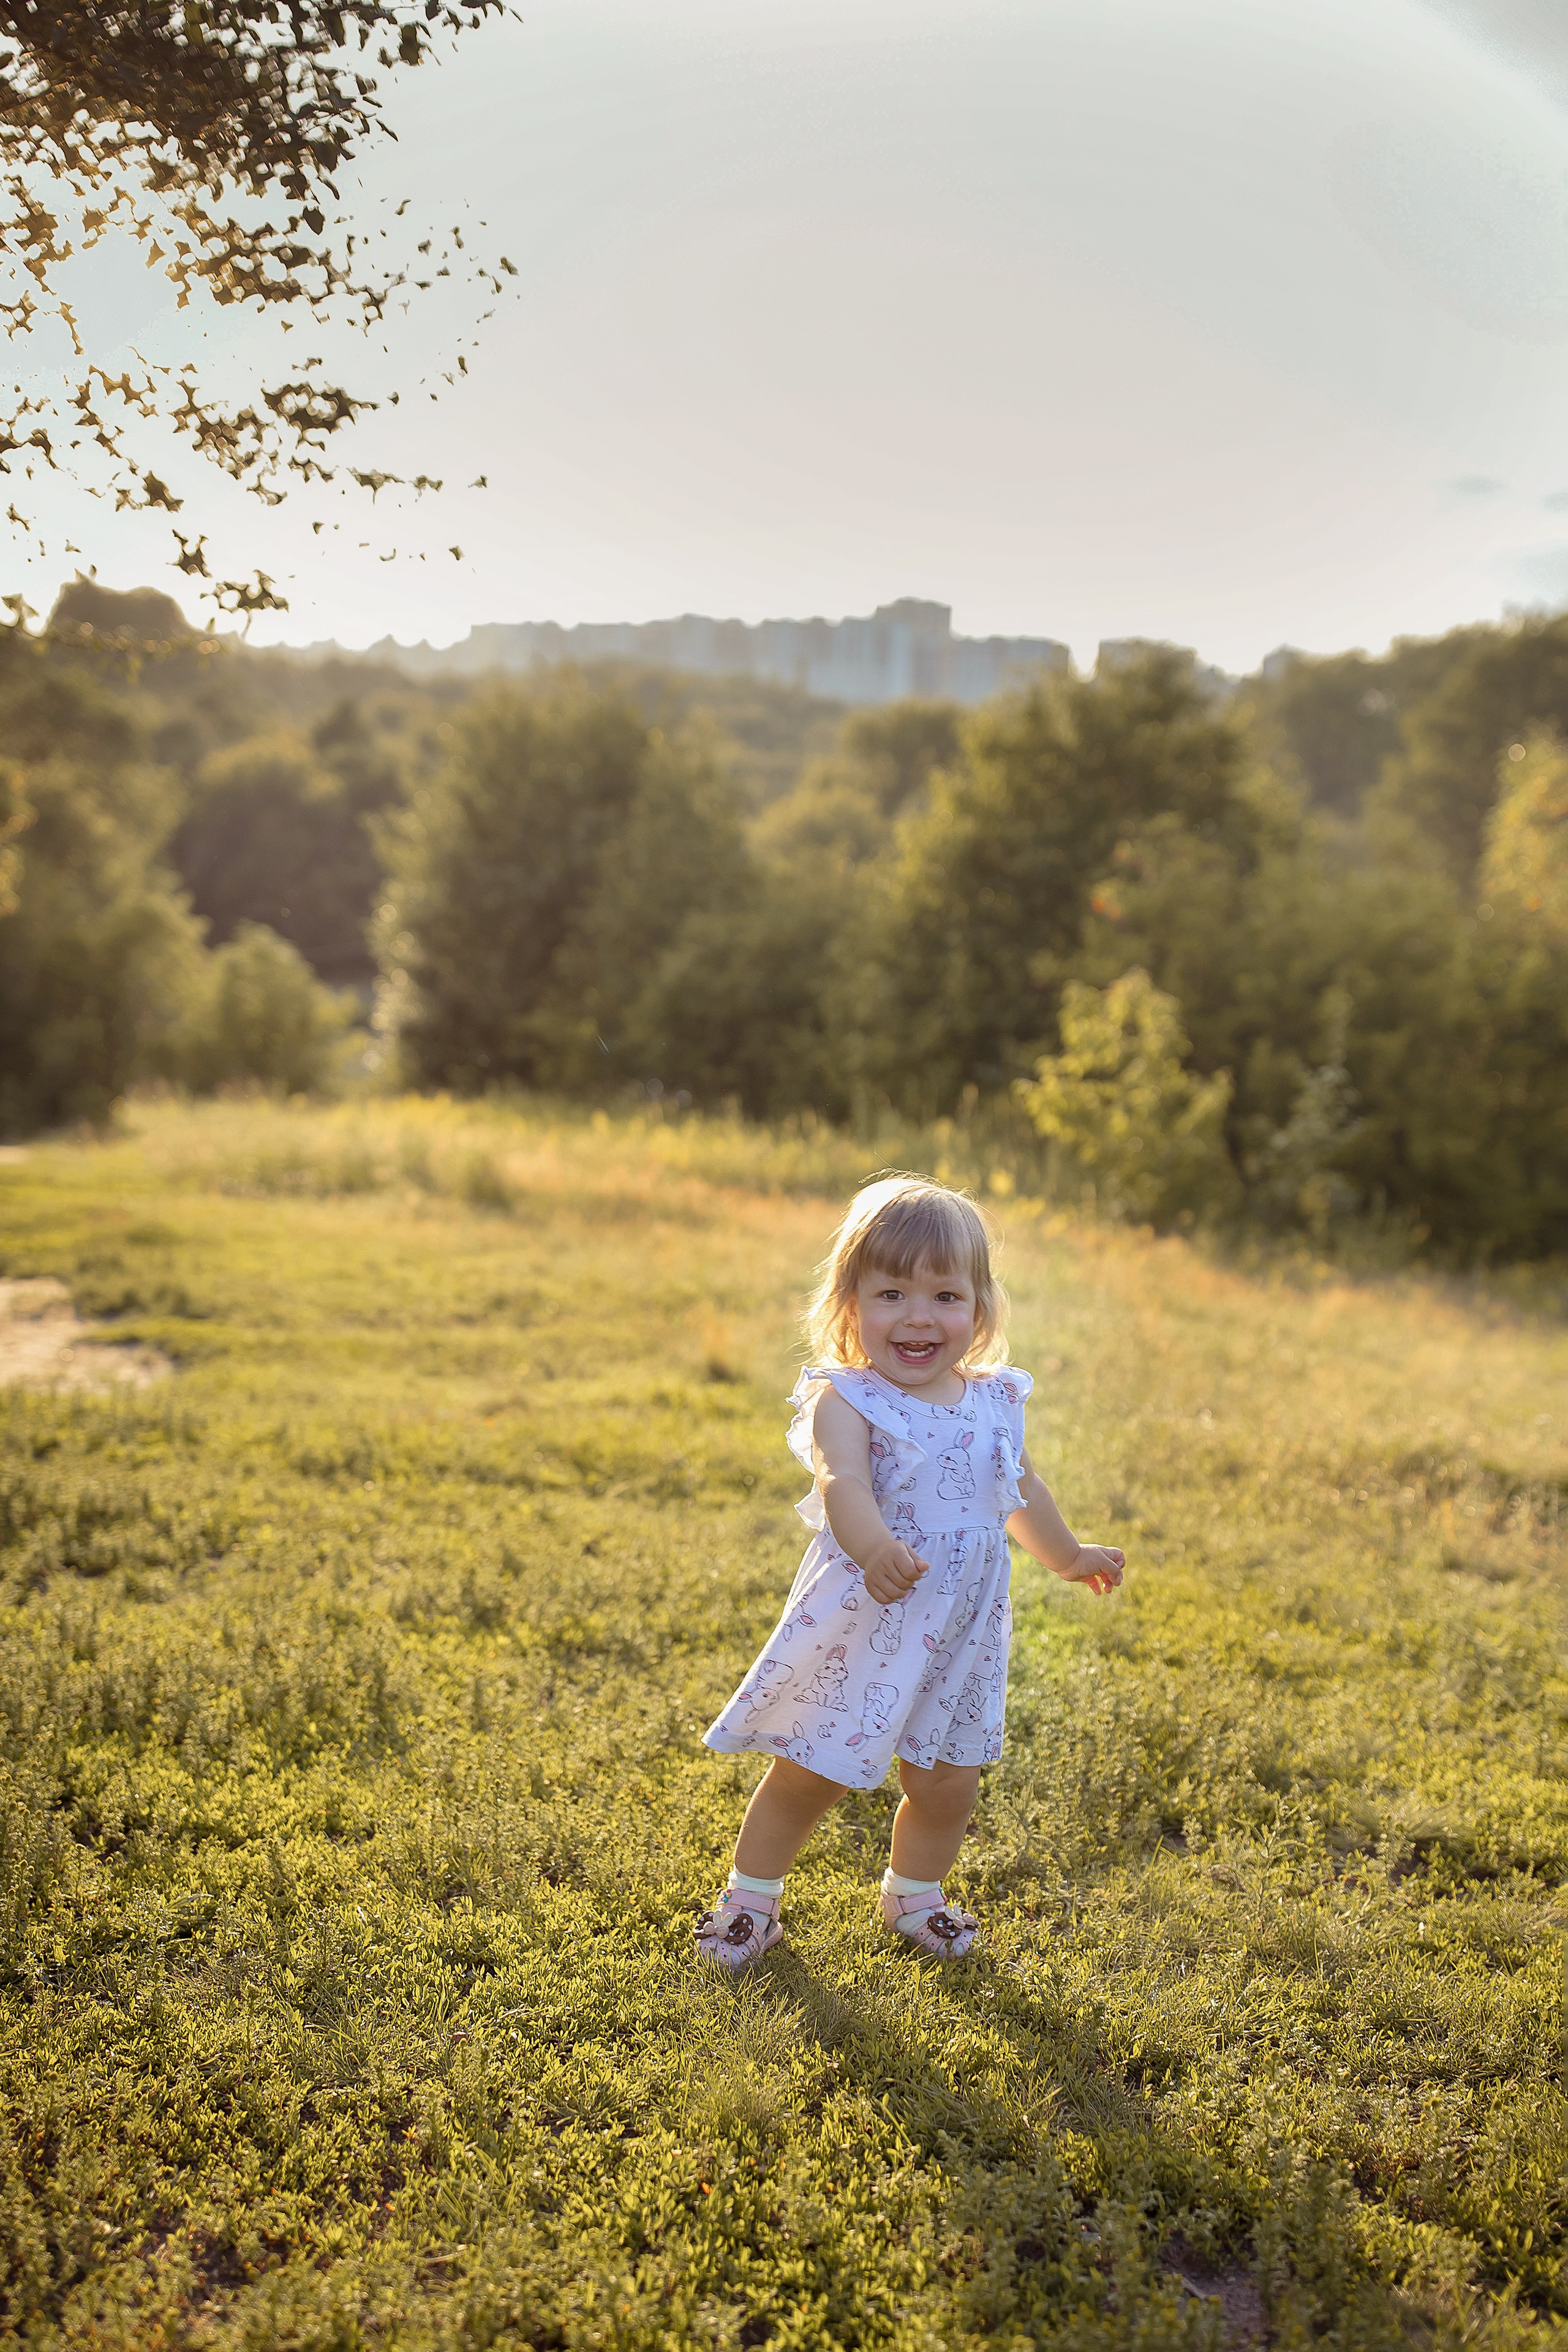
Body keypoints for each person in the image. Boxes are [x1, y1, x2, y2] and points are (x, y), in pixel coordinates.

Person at [696, 1174, 1124, 1969]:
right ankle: (749, 1903)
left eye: (945, 1295)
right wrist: (874, 1547)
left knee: (947, 1783)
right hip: (870, 1618)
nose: (919, 1316)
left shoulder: (995, 1400)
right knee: (809, 1774)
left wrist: (1067, 1555)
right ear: (850, 1301)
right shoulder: (849, 1398)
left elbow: (1021, 1488)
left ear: (980, 1308)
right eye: (891, 1292)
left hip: (960, 1635)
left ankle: (914, 1896)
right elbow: (843, 1484)